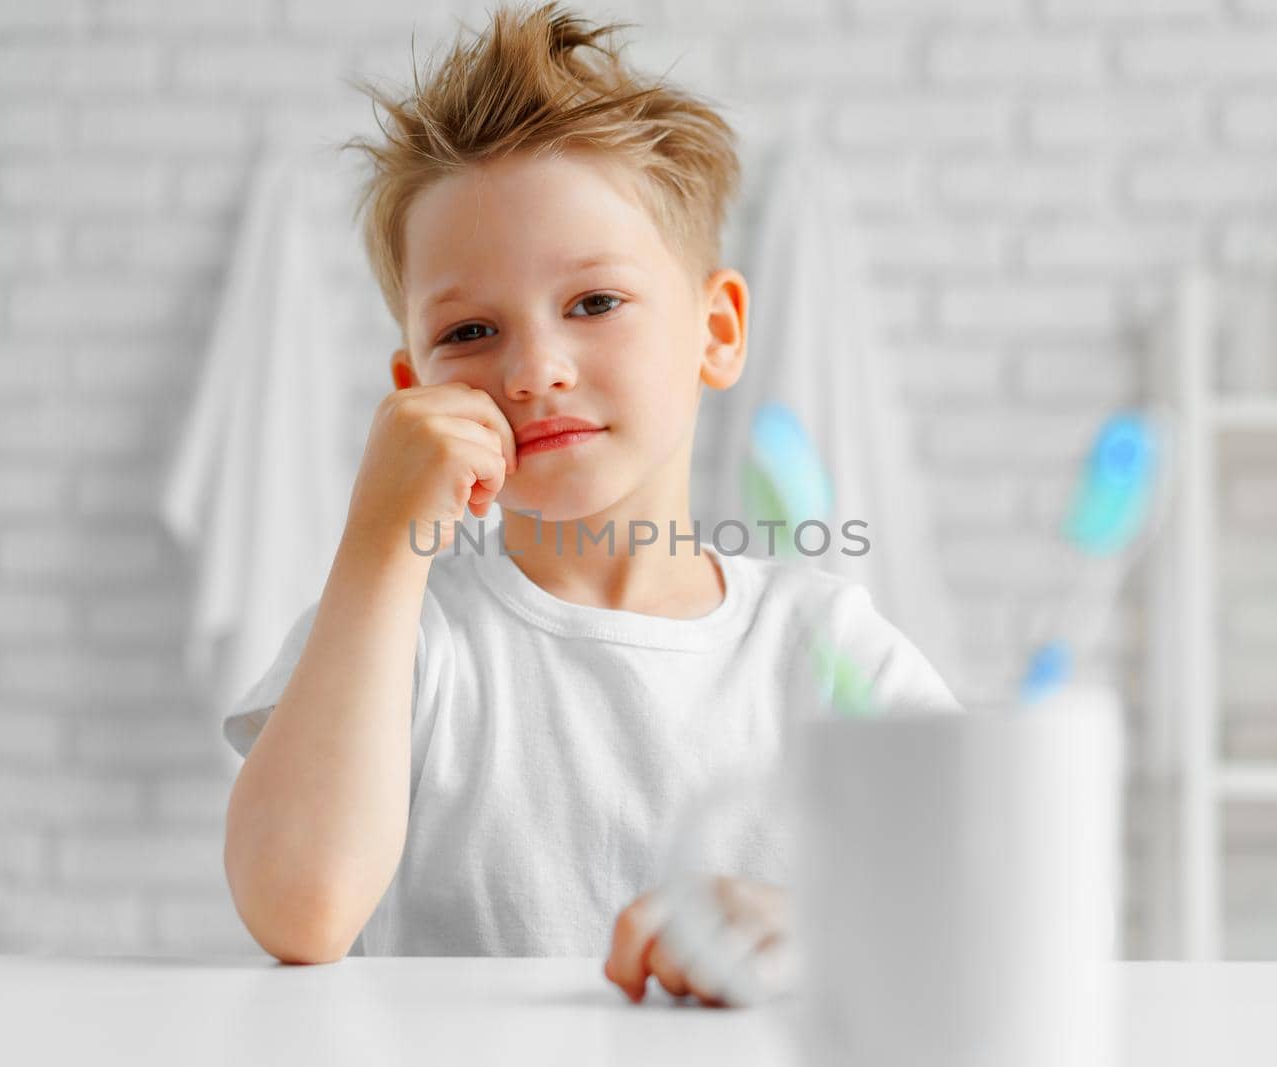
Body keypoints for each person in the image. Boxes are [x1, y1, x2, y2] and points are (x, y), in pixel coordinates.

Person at [221, 0, 959, 1005]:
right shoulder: (401, 634)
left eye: (593, 304)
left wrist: (819, 928)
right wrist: (379, 535)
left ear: (717, 328)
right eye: (470, 330)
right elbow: (298, 909)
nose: (533, 370)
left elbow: (979, 890)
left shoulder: (820, 643)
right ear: (412, 387)